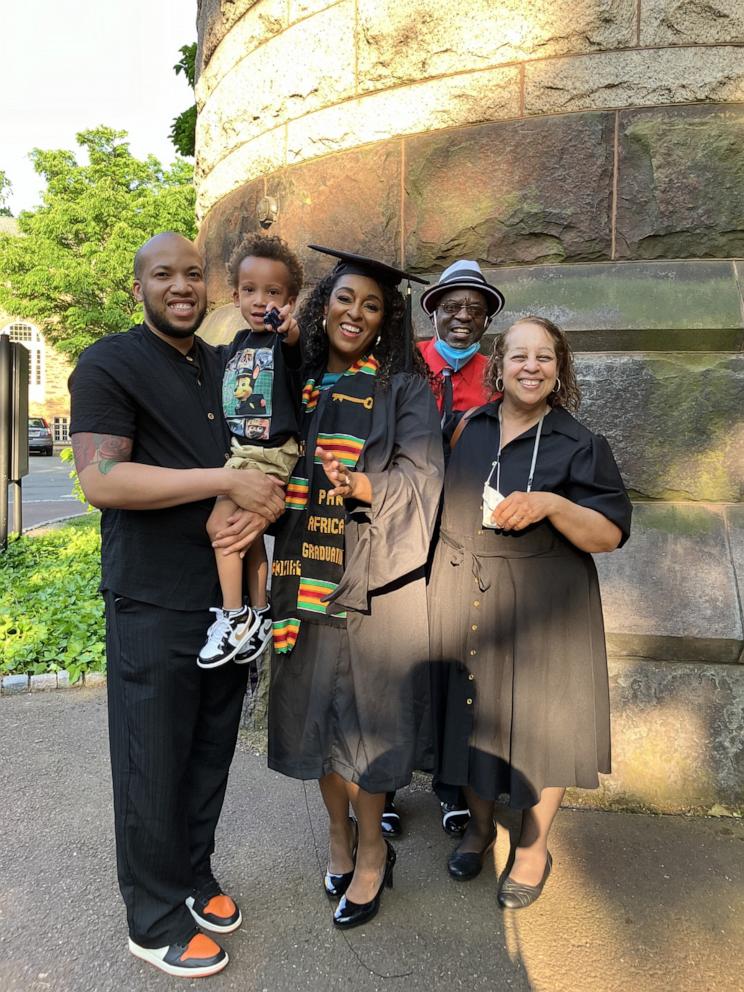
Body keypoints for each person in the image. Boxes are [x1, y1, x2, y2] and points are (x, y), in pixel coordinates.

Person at [69, 232, 285, 978]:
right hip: (152, 599)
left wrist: (261, 502)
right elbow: (103, 482)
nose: (182, 286)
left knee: (207, 753)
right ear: (141, 287)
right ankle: (152, 916)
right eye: (165, 275)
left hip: (224, 607)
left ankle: (194, 876)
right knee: (151, 762)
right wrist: (221, 485)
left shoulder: (223, 365)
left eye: (194, 274)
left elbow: (265, 448)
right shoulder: (109, 363)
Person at [267, 245, 444, 929]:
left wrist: (366, 484)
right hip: (302, 574)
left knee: (370, 723)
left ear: (385, 323)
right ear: (324, 304)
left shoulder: (403, 389)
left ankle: (372, 851)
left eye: (372, 307)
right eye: (345, 299)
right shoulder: (300, 378)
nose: (357, 314)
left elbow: (424, 476)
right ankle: (338, 837)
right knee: (313, 716)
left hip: (377, 574)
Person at [429, 315, 631, 909]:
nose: (531, 367)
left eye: (544, 357)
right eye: (519, 356)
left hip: (546, 609)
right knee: (474, 717)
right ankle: (478, 826)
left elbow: (609, 534)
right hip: (471, 595)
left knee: (543, 728)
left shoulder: (579, 443)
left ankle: (534, 846)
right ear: (499, 365)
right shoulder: (467, 427)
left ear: (559, 367)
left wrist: (549, 503)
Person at [390, 259, 506, 839]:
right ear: (432, 308)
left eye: (476, 309)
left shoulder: (496, 375)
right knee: (393, 660)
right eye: (453, 307)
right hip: (400, 532)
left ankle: (449, 785)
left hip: (463, 537)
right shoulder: (404, 360)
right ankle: (382, 784)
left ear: (487, 318)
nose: (464, 318)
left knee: (457, 664)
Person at [197, 234, 304, 669]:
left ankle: (233, 615)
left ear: (290, 299)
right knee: (248, 535)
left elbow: (297, 347)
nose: (260, 301)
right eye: (249, 290)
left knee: (220, 527)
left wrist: (289, 328)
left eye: (273, 292)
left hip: (269, 452)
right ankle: (259, 613)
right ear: (235, 294)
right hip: (242, 449)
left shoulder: (285, 341)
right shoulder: (236, 345)